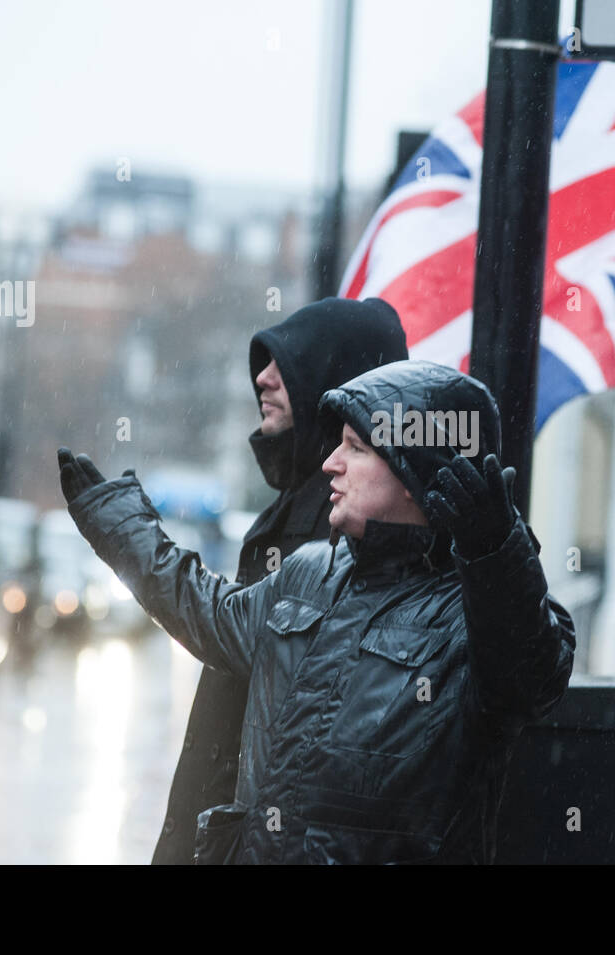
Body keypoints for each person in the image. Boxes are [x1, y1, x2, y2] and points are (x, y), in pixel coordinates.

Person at [58, 359, 575, 864]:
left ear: (416, 471)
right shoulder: (311, 570)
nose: (331, 462)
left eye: (356, 447)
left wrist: (495, 553)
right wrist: (119, 525)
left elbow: (530, 676)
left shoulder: (475, 611)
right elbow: (213, 615)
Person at [60, 296, 407, 865]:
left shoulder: (343, 525)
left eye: (287, 366)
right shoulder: (296, 509)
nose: (263, 380)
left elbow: (226, 627)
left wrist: (122, 528)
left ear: (336, 385)